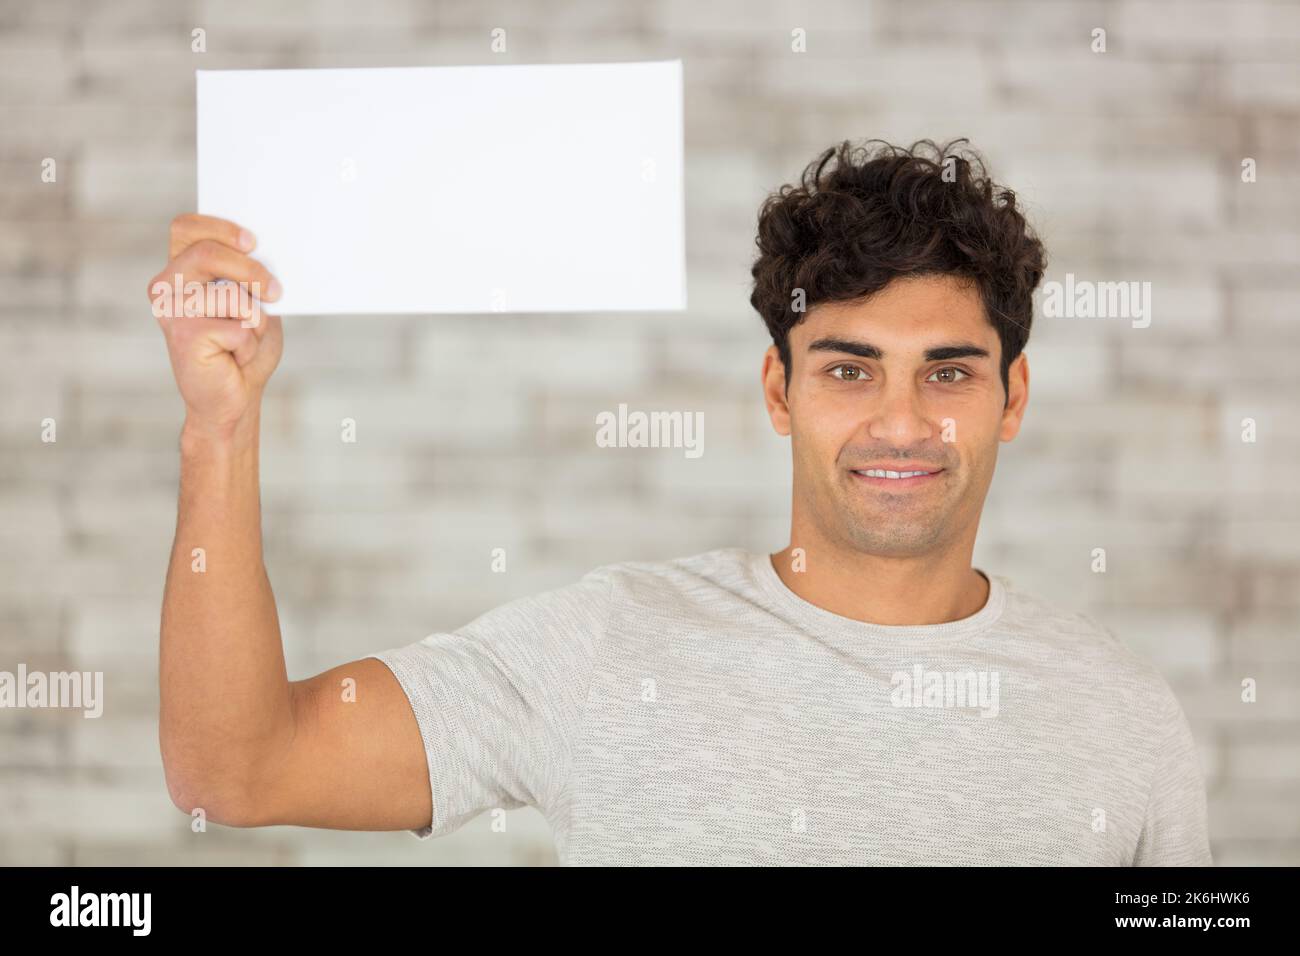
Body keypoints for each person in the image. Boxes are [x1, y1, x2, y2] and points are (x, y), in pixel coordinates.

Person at [150, 139, 1212, 865]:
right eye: (849, 370)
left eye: (947, 371)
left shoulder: (1122, 719)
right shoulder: (611, 648)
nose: (900, 420)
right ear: (778, 390)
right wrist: (218, 427)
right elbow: (234, 767)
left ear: (1009, 396)